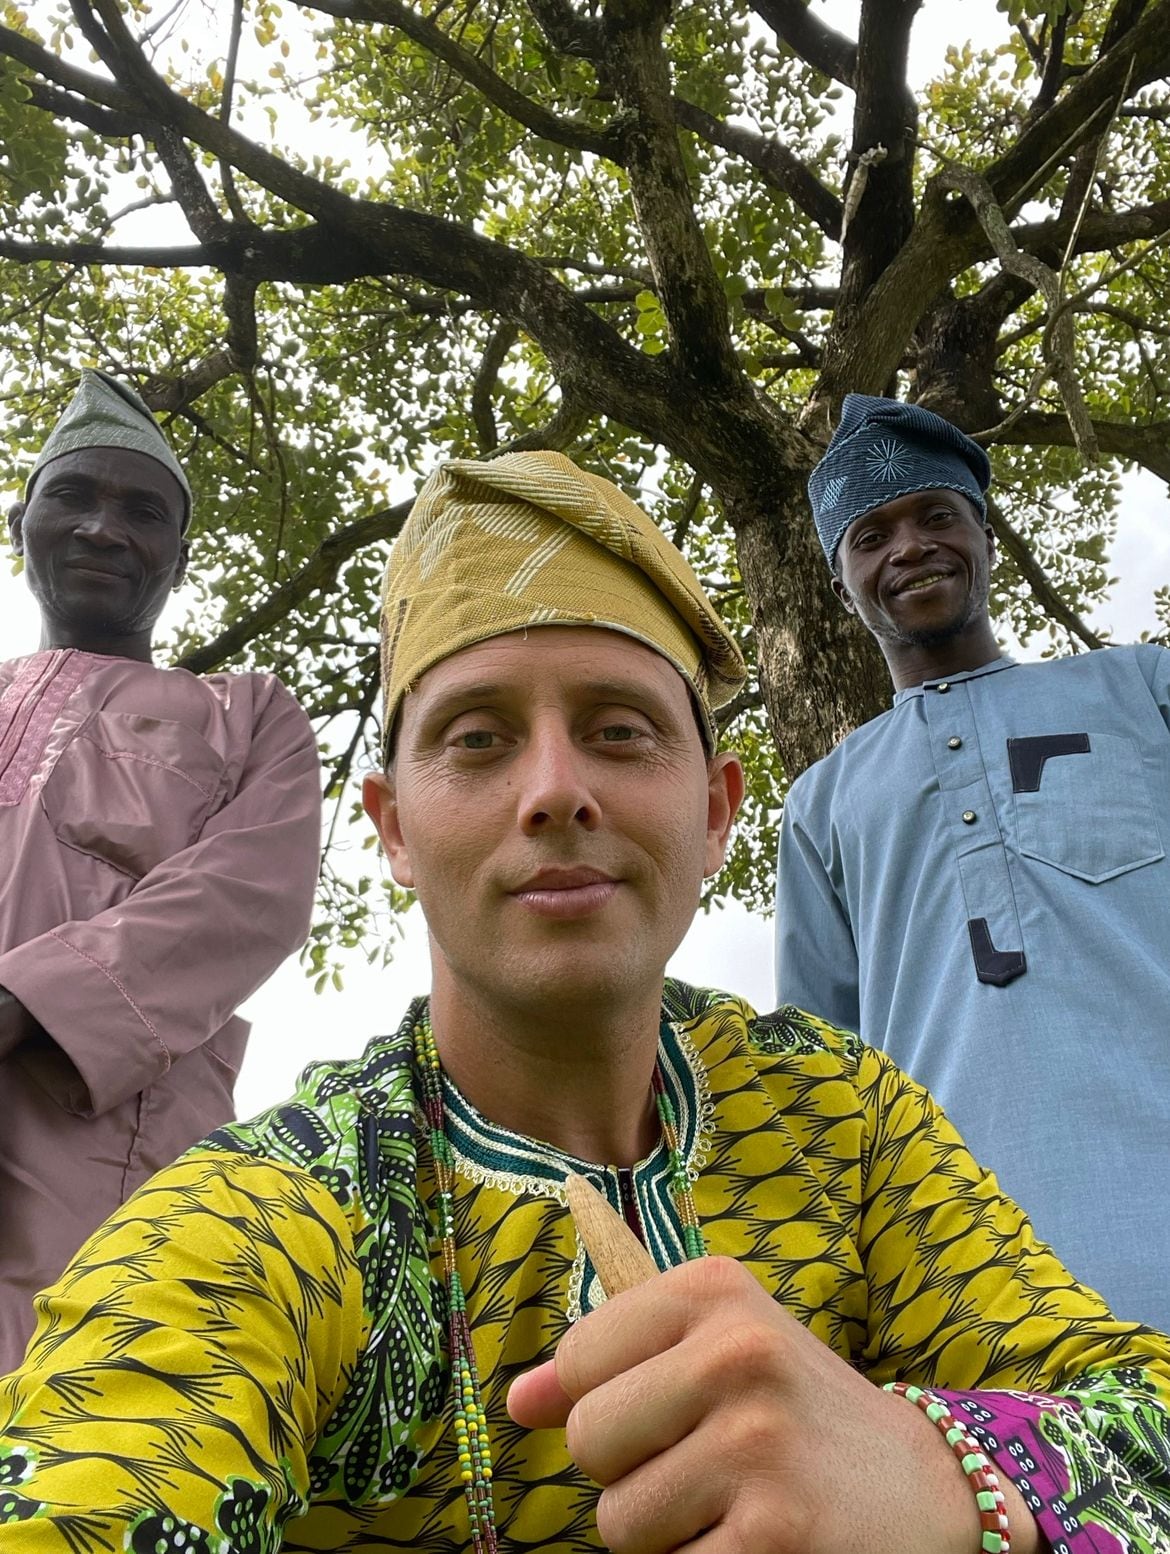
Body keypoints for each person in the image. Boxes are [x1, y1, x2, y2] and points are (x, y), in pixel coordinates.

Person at [1, 451, 1168, 1554]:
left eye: (618, 731)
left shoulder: (844, 1117)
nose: (556, 790)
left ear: (716, 813)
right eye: (477, 739)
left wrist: (943, 1473)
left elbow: (1144, 1415)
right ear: (393, 827)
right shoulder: (284, 1207)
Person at [774, 392, 1170, 1332]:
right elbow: (819, 1081)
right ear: (841, 583)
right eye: (871, 535)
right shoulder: (821, 803)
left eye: (935, 517)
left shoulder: (1142, 687)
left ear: (985, 538)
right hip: (969, 1293)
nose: (907, 547)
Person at [0, 369, 322, 1370]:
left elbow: (247, 896)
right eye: (74, 497)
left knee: (66, 1446)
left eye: (141, 512)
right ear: (21, 522)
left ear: (178, 560)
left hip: (101, 1139)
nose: (103, 528)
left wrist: (25, 1002)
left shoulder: (249, 715)